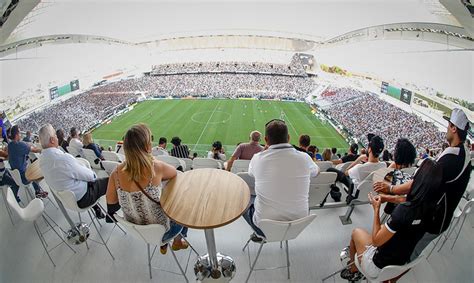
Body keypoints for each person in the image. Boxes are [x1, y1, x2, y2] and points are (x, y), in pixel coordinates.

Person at [377, 109, 471, 258]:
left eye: (449, 124)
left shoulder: (450, 159)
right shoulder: (464, 153)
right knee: (406, 254)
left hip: (433, 220)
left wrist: (391, 189)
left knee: (408, 256)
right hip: (441, 216)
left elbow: (418, 184)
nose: (446, 128)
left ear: (454, 128)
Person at [340, 159, 442, 281]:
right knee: (387, 230)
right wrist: (389, 198)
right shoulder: (433, 210)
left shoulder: (403, 211)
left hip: (377, 266)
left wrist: (376, 209)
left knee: (356, 232)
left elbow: (376, 240)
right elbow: (407, 201)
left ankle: (354, 270)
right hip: (398, 266)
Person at [106, 124, 188, 254]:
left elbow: (111, 203)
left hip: (137, 231)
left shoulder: (115, 173)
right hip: (163, 231)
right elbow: (174, 173)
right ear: (147, 147)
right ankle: (177, 241)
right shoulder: (155, 167)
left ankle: (164, 245)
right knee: (185, 209)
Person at [242, 119, 319, 240]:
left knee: (245, 197)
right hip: (298, 225)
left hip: (264, 228)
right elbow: (316, 172)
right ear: (288, 138)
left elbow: (251, 174)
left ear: (266, 140)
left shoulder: (257, 158)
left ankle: (258, 234)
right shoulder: (305, 157)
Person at [38, 124, 107, 218]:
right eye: (55, 135)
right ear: (52, 140)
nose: (57, 138)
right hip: (83, 198)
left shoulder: (41, 161)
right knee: (111, 180)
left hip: (69, 202)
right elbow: (92, 177)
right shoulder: (63, 159)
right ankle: (111, 214)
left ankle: (98, 209)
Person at [373, 138, 417, 216]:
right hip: (408, 207)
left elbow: (380, 194)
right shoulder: (413, 169)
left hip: (397, 208)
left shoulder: (393, 169)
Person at [7, 125, 47, 199]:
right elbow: (35, 150)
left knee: (30, 166)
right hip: (24, 177)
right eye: (20, 133)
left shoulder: (10, 145)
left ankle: (38, 190)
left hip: (16, 176)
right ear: (16, 134)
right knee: (38, 167)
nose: (21, 135)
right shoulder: (20, 144)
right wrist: (43, 149)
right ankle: (38, 191)